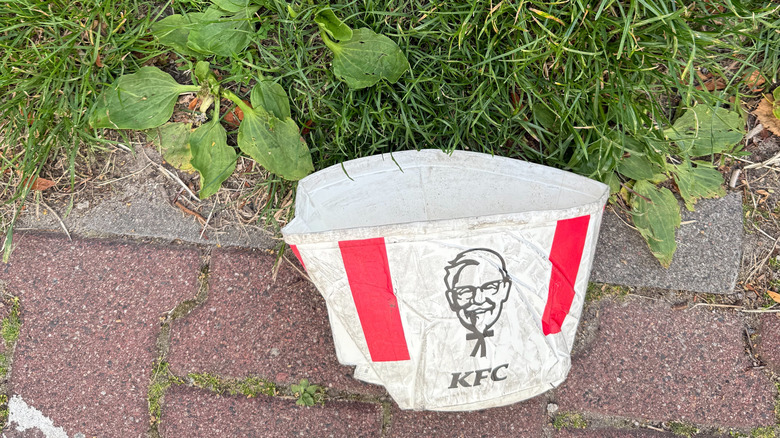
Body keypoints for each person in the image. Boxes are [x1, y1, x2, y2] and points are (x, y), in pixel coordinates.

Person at [443, 248, 512, 358]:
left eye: (490, 287)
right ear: (451, 299)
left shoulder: (527, 340)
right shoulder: (438, 347)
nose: (478, 300)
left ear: (505, 289)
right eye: (466, 291)